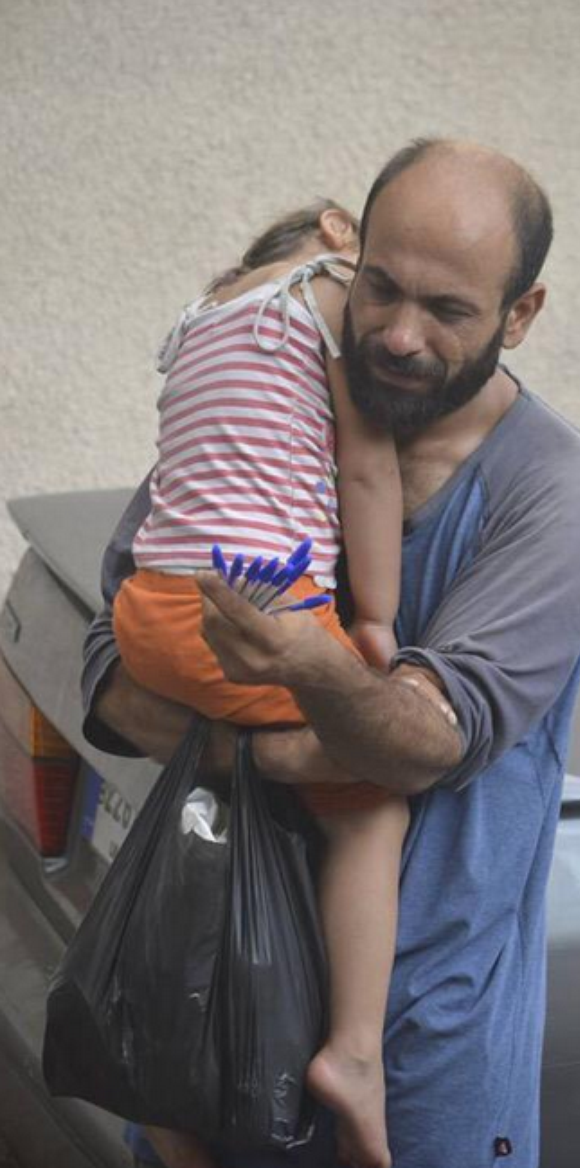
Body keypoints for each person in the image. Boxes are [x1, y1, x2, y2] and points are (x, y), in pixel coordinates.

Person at [82, 138, 580, 1168]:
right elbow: (109, 675)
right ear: (352, 250)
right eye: (382, 287)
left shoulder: (556, 488)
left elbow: (421, 743)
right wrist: (294, 745)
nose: (401, 336)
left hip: (418, 1060)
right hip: (210, 1005)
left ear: (522, 315)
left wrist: (300, 673)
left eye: (450, 311)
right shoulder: (276, 401)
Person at [109, 201, 408, 1168]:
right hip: (252, 613)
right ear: (336, 227)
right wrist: (371, 627)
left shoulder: (201, 316)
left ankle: (159, 1076)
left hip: (150, 608)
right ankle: (353, 1057)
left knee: (215, 798)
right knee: (372, 797)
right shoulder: (331, 295)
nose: (393, 303)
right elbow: (365, 469)